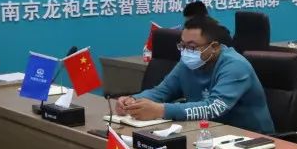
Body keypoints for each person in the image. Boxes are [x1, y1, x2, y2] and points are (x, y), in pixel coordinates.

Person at [117, 16, 274, 133]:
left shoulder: (235, 66)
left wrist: (161, 110)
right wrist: (133, 101)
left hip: (249, 137)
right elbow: (162, 91)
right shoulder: (188, 62)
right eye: (182, 45)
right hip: (208, 131)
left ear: (214, 47)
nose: (186, 52)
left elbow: (213, 108)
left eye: (192, 47)